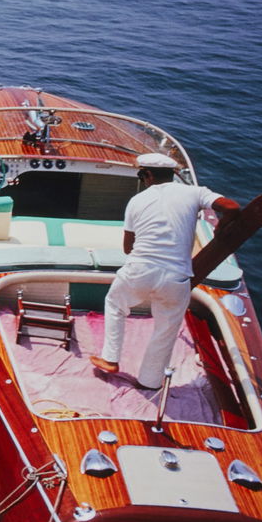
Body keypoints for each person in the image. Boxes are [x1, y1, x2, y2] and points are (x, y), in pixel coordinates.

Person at [92, 153, 240, 388]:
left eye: (142, 174)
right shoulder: (196, 192)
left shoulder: (137, 201)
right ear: (172, 175)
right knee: (166, 329)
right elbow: (232, 207)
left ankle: (110, 359)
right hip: (177, 278)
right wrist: (221, 226)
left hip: (140, 270)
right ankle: (150, 381)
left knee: (115, 304)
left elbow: (128, 248)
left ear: (148, 174)